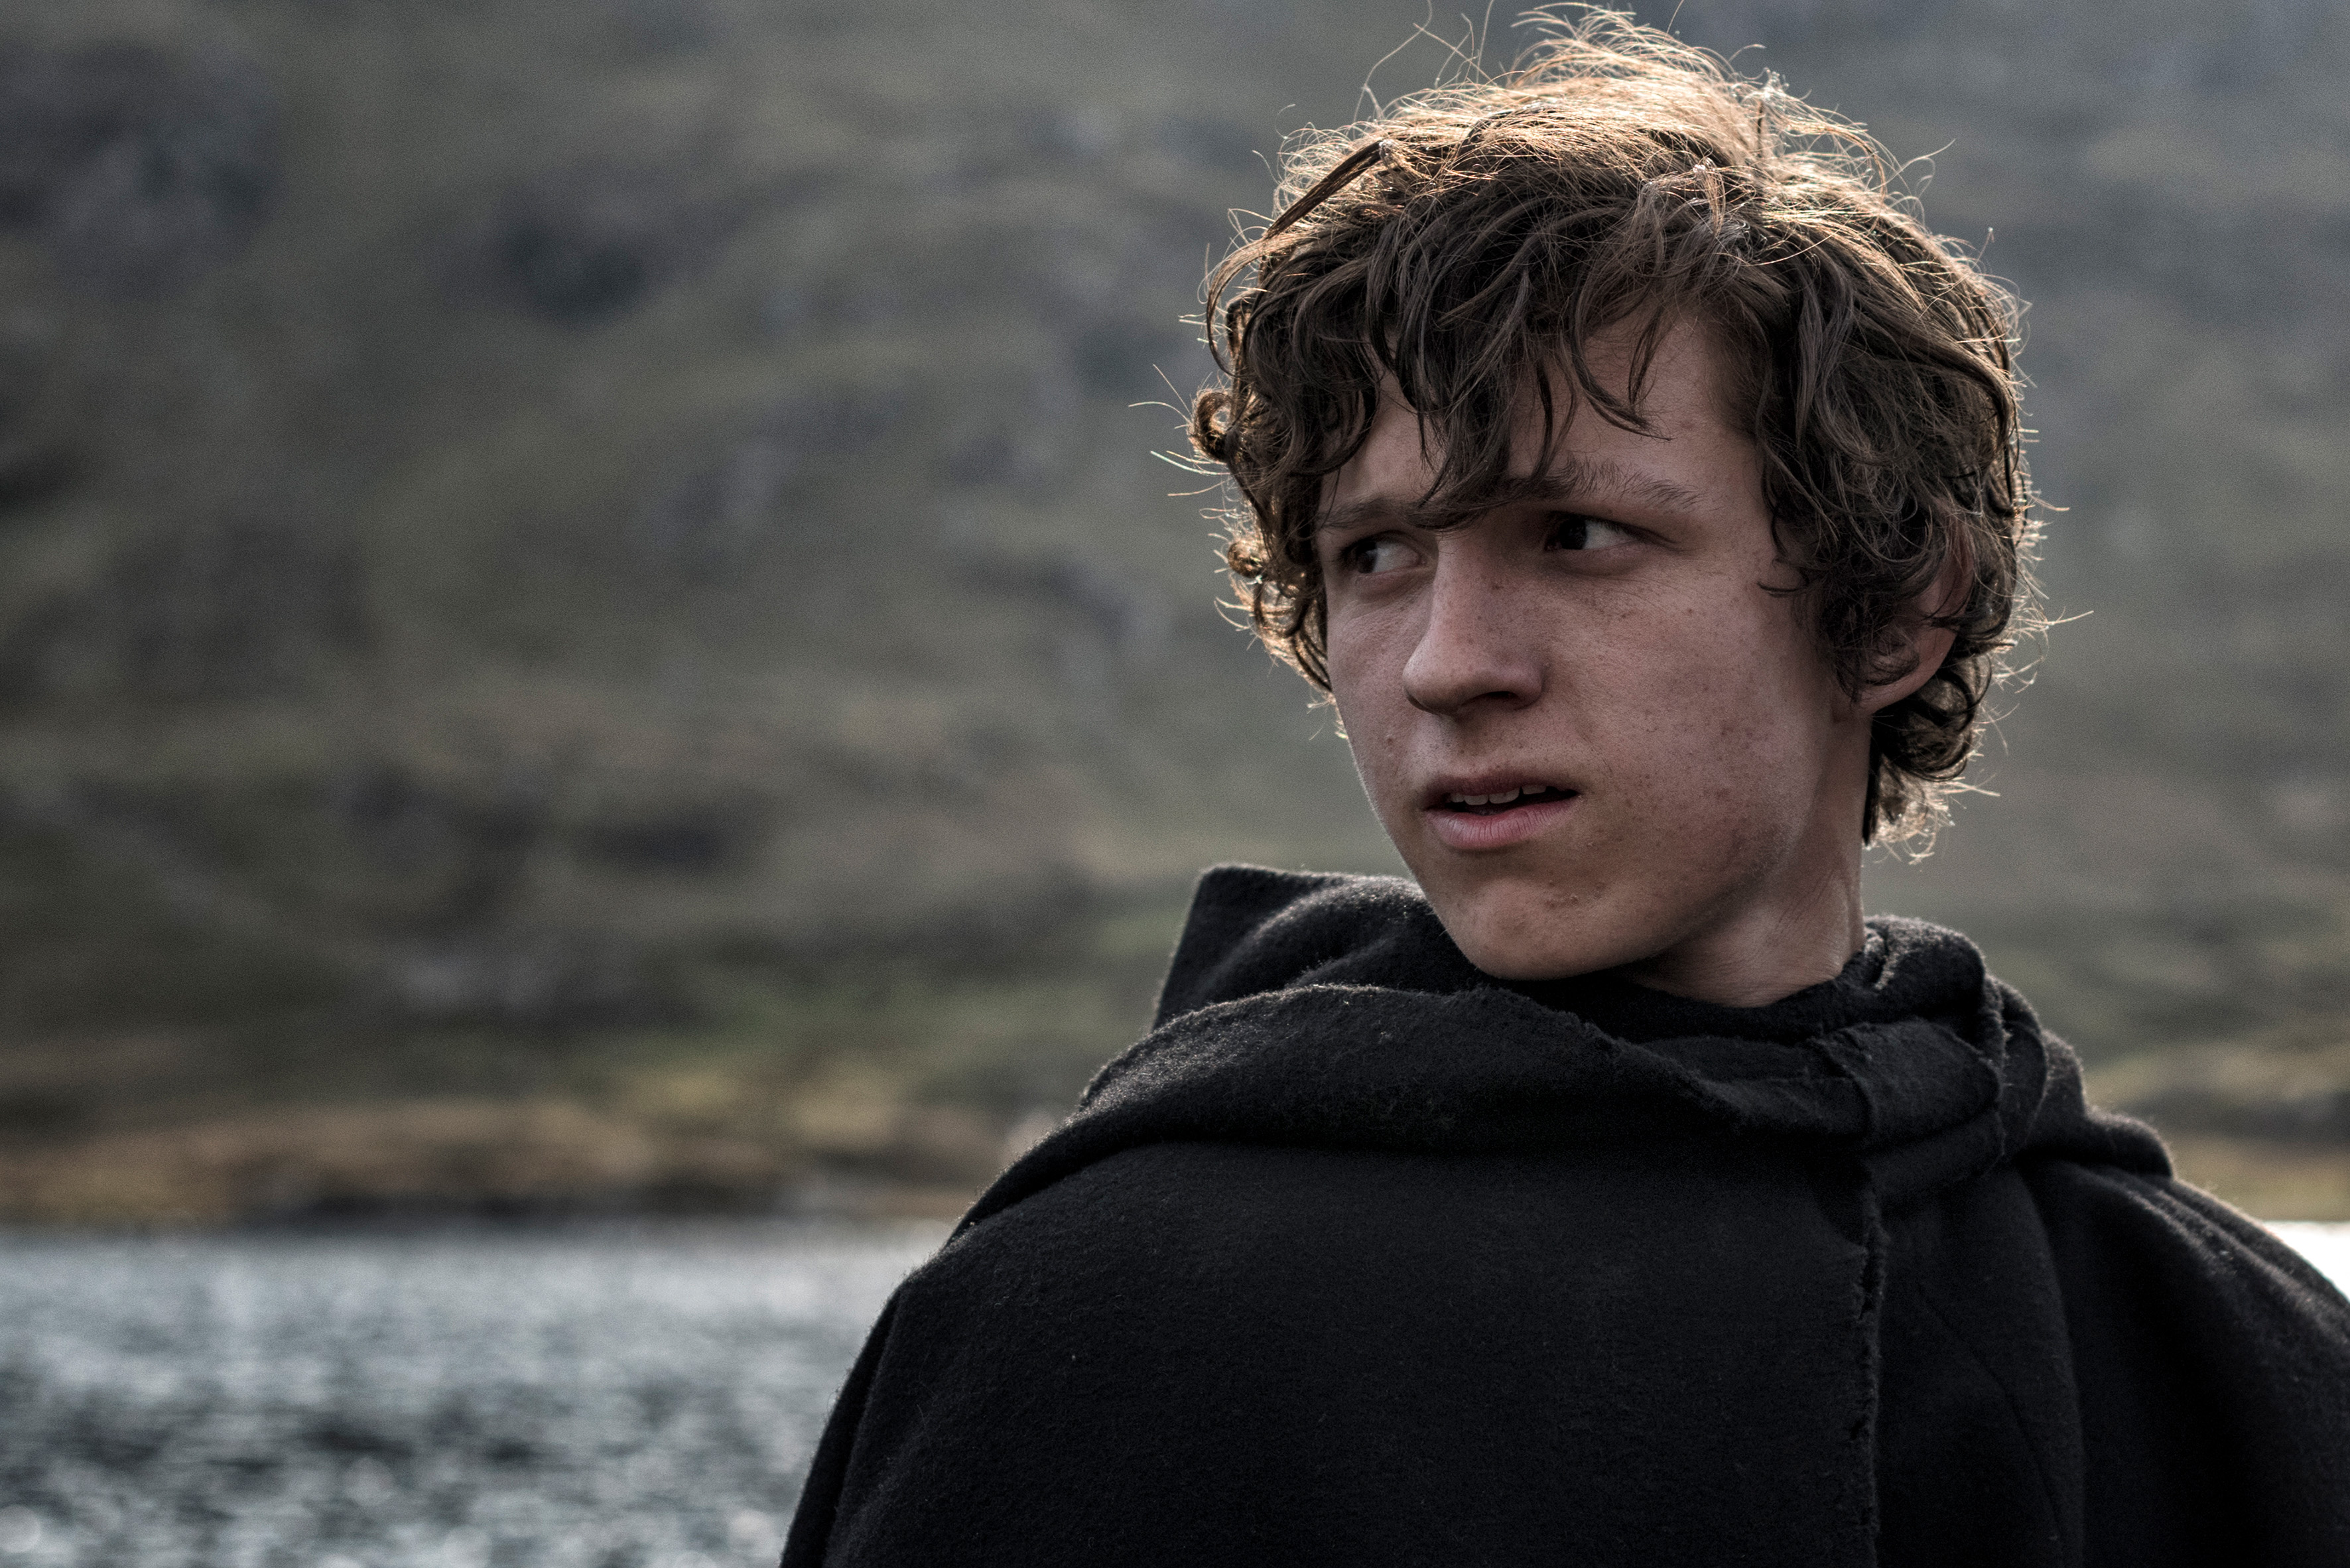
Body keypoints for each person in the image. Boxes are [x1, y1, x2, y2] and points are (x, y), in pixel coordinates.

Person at [781, 16, 2350, 1566]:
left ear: (1893, 611)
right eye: (1374, 556)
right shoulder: (1081, 1322)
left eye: (1577, 535)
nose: (1443, 664)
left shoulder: (2223, 1360)